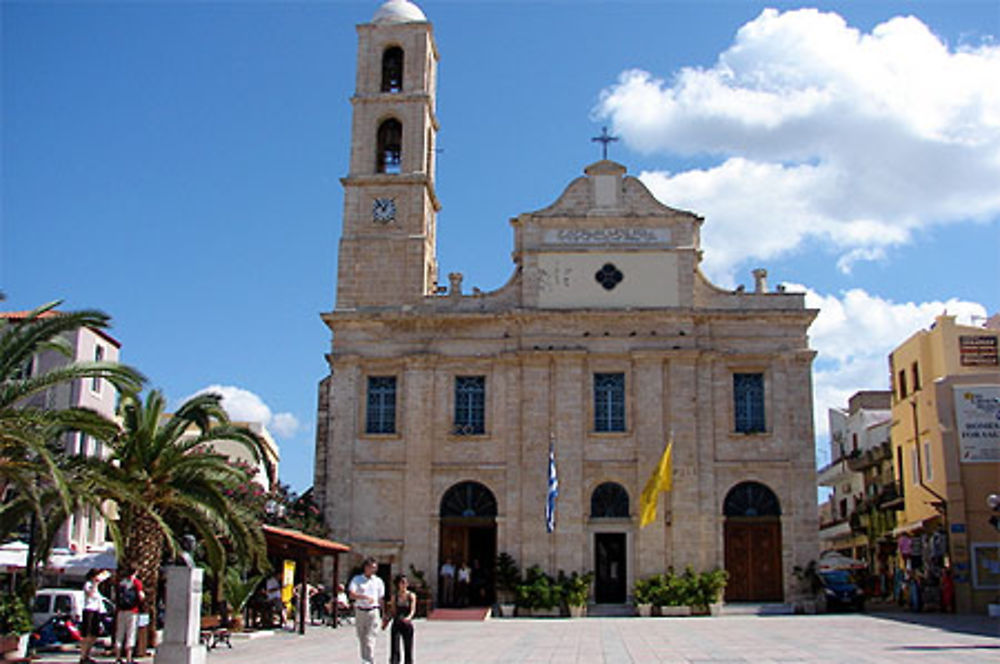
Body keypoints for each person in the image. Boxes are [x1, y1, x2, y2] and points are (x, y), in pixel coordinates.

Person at [348, 557, 385, 664]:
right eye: (372, 567)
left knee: (370, 637)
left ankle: (369, 660)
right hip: (360, 611)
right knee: (362, 637)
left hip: (373, 611)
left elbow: (380, 598)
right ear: (366, 567)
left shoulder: (378, 581)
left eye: (375, 568)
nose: (374, 570)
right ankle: (365, 659)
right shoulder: (357, 579)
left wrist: (384, 614)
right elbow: (351, 594)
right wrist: (363, 597)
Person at [113, 566, 145, 664]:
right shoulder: (136, 583)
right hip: (132, 611)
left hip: (121, 611)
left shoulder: (121, 583)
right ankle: (128, 658)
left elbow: (114, 597)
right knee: (130, 633)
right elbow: (141, 596)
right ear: (136, 571)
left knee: (120, 633)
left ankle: (118, 657)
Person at [383, 574, 416, 664]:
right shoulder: (395, 596)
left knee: (408, 646)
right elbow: (393, 610)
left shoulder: (411, 595)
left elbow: (413, 610)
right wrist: (386, 620)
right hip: (397, 622)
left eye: (405, 582)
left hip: (407, 623)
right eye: (402, 582)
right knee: (395, 646)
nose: (404, 584)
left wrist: (408, 618)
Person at [79, 569, 108, 664]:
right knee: (86, 635)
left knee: (94, 635)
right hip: (89, 610)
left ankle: (88, 654)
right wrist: (95, 584)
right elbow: (90, 594)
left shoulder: (97, 587)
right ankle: (83, 656)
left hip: (96, 611)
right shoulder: (88, 584)